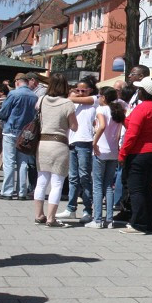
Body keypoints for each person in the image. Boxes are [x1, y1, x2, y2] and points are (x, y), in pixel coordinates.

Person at [119, 77, 152, 234]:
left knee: (136, 189)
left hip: (140, 152)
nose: (137, 91)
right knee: (146, 189)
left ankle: (138, 224)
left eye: (140, 89)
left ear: (144, 92)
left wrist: (122, 153)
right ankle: (149, 223)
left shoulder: (142, 108)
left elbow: (132, 134)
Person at [33, 72, 77, 227]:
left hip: (42, 143)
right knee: (57, 182)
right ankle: (51, 218)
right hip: (59, 144)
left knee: (41, 180)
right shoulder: (67, 103)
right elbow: (74, 126)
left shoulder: (41, 100)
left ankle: (39, 215)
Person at [0, 74, 38, 202]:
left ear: (18, 82)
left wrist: (2, 119)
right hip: (26, 132)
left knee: (9, 161)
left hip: (11, 130)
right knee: (23, 162)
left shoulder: (13, 94)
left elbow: (4, 111)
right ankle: (22, 192)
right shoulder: (34, 96)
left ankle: (7, 191)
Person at [61, 76, 97, 223]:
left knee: (85, 177)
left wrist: (72, 95)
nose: (80, 93)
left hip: (85, 141)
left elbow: (77, 99)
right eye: (78, 90)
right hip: (72, 141)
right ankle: (71, 208)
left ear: (91, 90)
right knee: (73, 178)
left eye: (84, 90)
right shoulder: (74, 102)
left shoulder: (95, 99)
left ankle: (88, 210)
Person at [91, 87, 125, 229]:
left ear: (104, 97)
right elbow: (118, 133)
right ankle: (109, 219)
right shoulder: (118, 111)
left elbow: (102, 125)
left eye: (99, 95)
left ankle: (97, 219)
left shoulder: (101, 109)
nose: (98, 98)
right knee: (109, 185)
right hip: (112, 151)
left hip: (101, 151)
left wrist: (94, 141)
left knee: (98, 185)